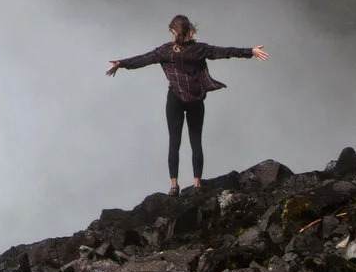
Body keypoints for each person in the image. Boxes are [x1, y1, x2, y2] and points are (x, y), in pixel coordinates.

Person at [107, 14, 268, 193]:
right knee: (196, 141)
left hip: (175, 100)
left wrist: (121, 63)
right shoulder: (199, 49)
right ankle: (197, 184)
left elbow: (143, 59)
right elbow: (225, 52)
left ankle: (174, 186)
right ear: (189, 30)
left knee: (174, 143)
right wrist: (250, 51)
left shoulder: (165, 51)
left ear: (174, 31)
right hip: (196, 100)